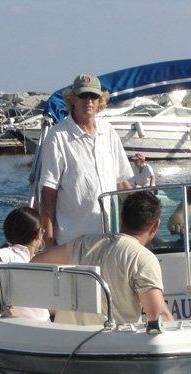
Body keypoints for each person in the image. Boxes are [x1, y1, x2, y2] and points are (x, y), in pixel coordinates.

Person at [33, 190, 174, 325]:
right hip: (113, 340)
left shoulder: (83, 243)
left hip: (69, 338)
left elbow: (37, 262)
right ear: (155, 225)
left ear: (121, 217)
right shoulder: (142, 258)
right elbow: (159, 316)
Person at [39, 72, 133, 247]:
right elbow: (48, 193)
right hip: (74, 243)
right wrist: (49, 242)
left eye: (93, 96)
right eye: (83, 95)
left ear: (100, 100)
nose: (88, 101)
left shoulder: (108, 132)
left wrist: (144, 212)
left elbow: (121, 182)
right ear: (72, 99)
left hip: (110, 239)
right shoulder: (57, 136)